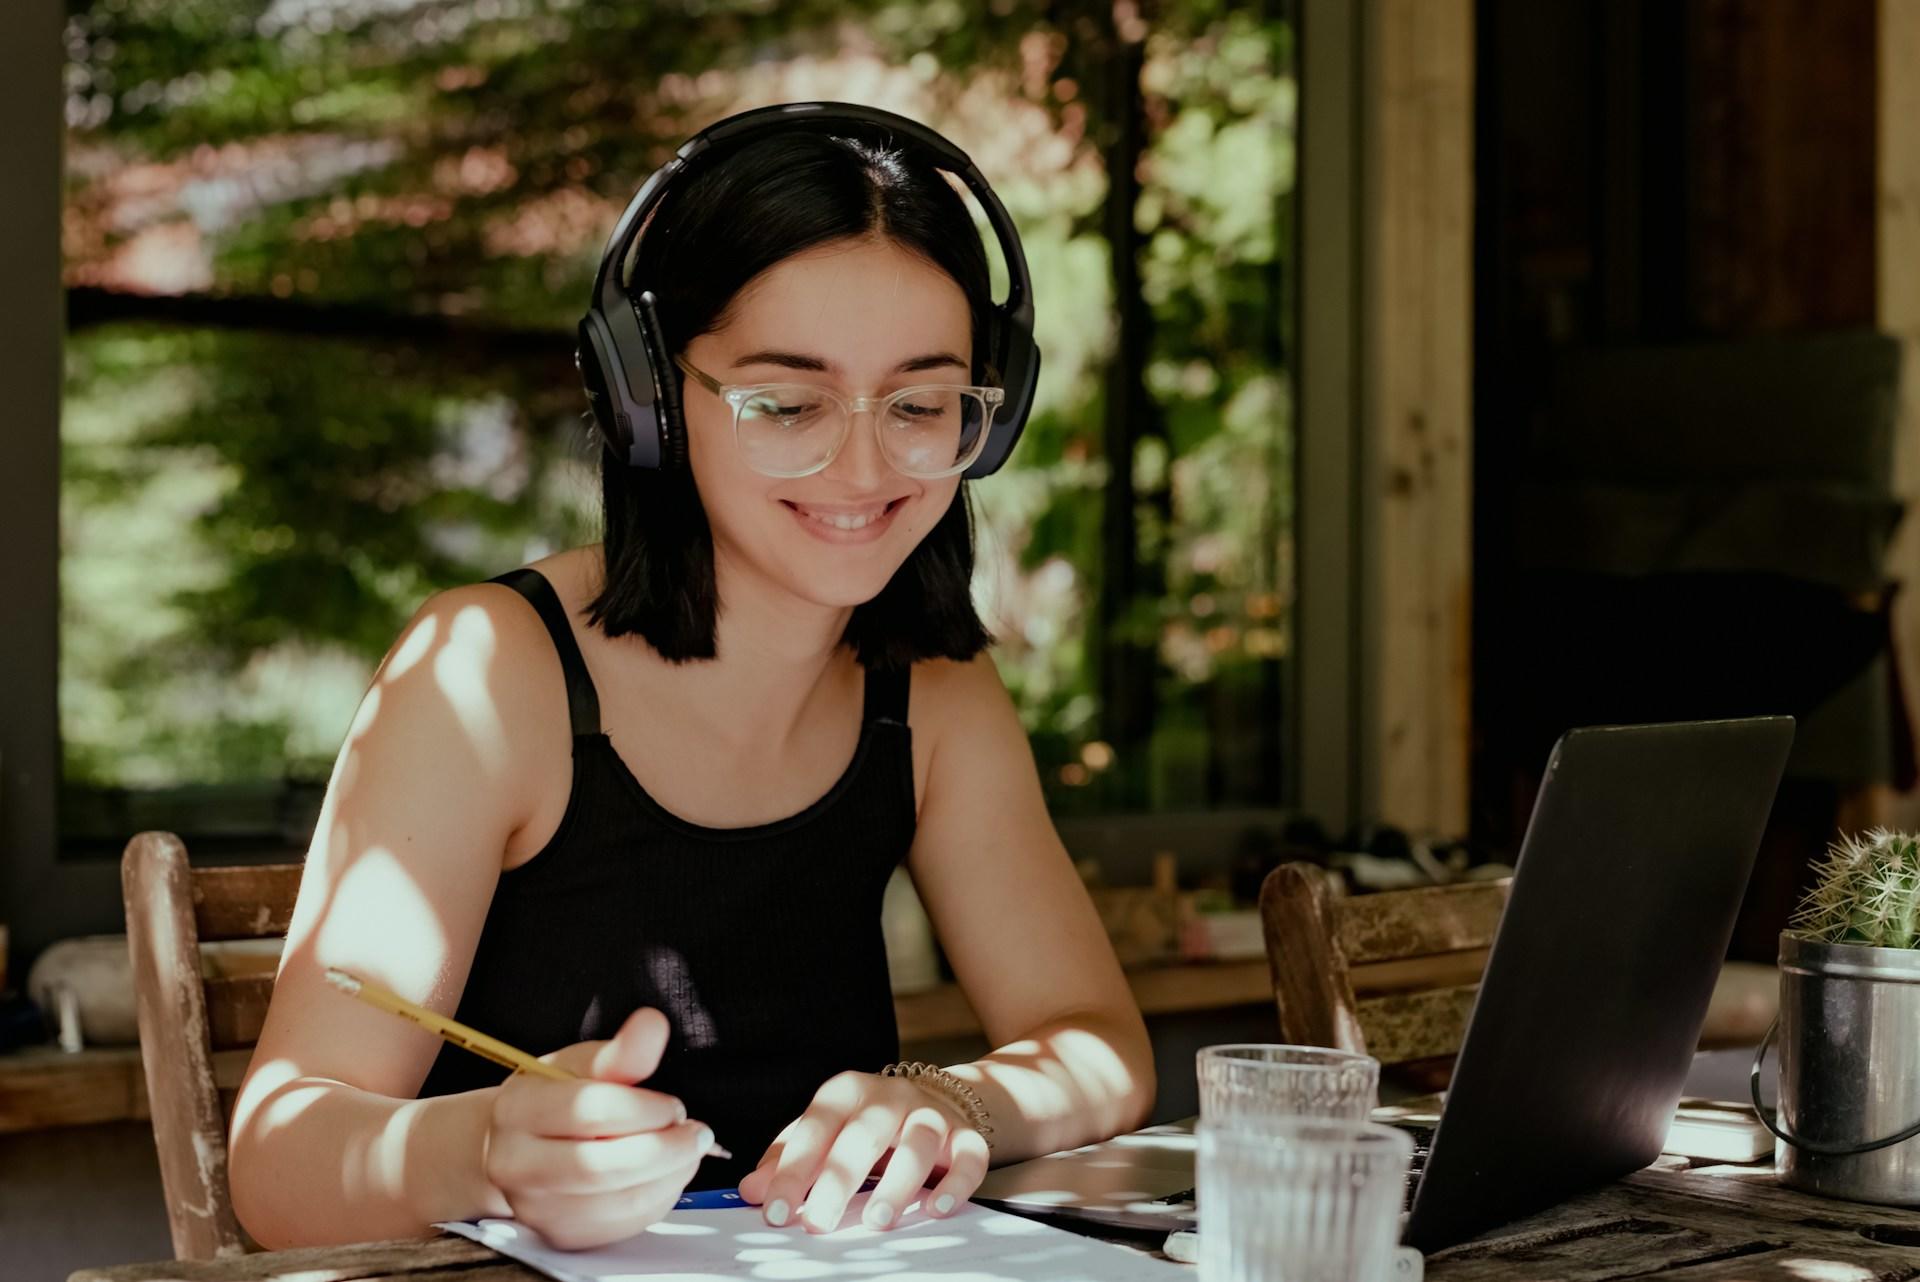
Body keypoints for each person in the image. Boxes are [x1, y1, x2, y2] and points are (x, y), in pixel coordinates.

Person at [227, 104, 1156, 1252]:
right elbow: (275, 1163)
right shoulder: (486, 674)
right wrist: (482, 1152)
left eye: (920, 405)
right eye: (786, 402)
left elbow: (1097, 1040)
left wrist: (954, 1100)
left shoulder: (932, 693)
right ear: (652, 401)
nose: (863, 466)